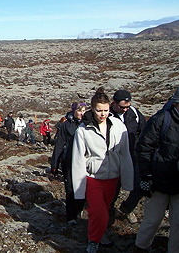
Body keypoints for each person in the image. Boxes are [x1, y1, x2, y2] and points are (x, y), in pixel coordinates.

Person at [72, 88, 133, 253]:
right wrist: (79, 189)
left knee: (104, 210)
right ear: (92, 109)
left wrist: (128, 180)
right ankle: (93, 240)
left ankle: (99, 234)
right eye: (99, 110)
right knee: (98, 211)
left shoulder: (119, 126)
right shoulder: (83, 130)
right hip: (93, 177)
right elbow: (78, 159)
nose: (103, 114)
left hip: (113, 177)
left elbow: (125, 153)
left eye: (106, 110)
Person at [133, 87, 179, 253]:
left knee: (178, 224)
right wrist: (146, 177)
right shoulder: (161, 119)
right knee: (152, 220)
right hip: (158, 182)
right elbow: (144, 148)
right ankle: (140, 248)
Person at [107, 90, 146, 231]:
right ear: (114, 103)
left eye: (127, 106)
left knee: (139, 186)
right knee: (113, 191)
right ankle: (109, 222)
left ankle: (127, 208)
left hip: (133, 157)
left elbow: (144, 132)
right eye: (122, 107)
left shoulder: (134, 114)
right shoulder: (107, 115)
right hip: (114, 159)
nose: (125, 109)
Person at [51, 102, 86, 225]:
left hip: (83, 162)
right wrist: (54, 164)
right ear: (73, 111)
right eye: (79, 110)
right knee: (70, 188)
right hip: (69, 161)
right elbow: (59, 145)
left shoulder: (87, 124)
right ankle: (71, 216)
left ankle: (79, 209)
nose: (82, 113)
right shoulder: (66, 125)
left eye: (84, 110)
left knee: (83, 187)